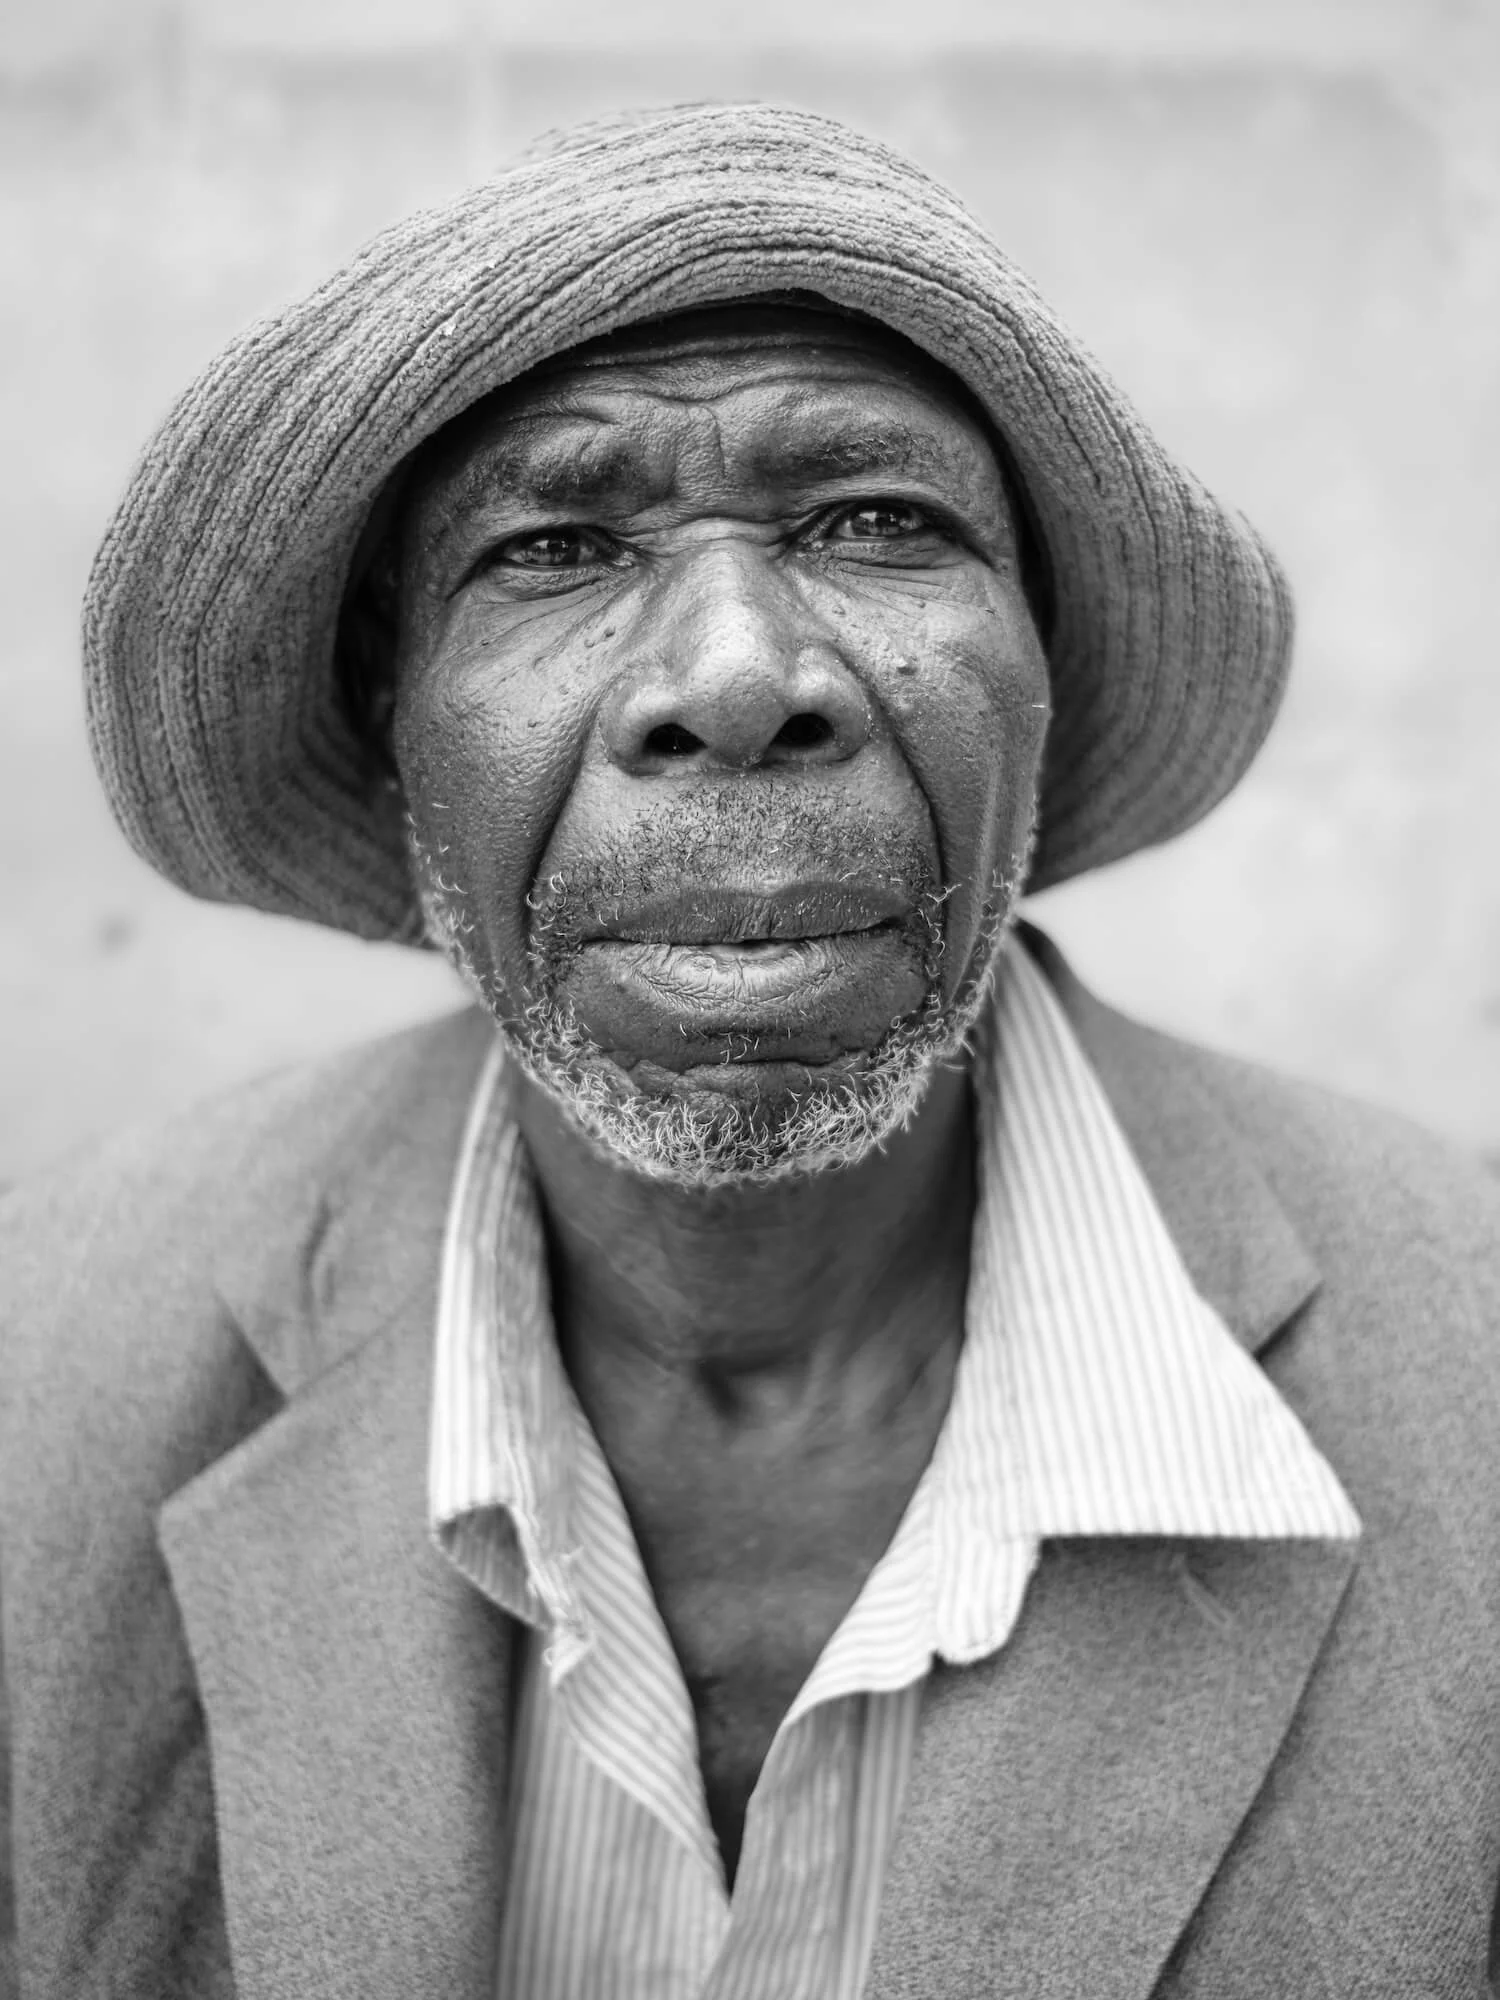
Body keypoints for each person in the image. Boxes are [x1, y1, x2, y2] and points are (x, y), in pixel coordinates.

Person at [1, 102, 1496, 2000]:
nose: (731, 679)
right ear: (398, 745)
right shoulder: (36, 1372)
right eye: (552, 545)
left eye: (878, 523)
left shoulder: (1474, 1377)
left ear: (1038, 682)